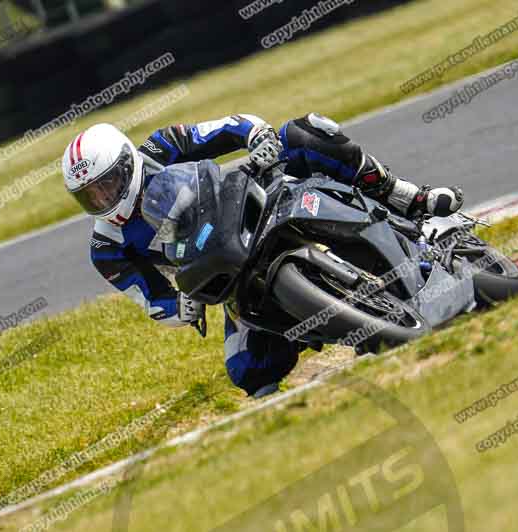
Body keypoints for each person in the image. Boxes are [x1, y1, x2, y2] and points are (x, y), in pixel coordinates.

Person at [62, 113, 463, 397]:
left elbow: (231, 125)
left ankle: (404, 195)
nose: (103, 199)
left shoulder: (162, 146)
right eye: (90, 197)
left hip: (247, 204)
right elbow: (152, 301)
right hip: (222, 270)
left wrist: (257, 138)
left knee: (306, 132)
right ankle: (339, 327)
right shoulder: (106, 249)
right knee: (247, 372)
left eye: (108, 184)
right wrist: (181, 306)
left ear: (128, 163)